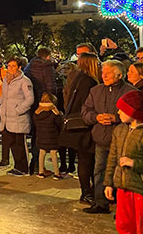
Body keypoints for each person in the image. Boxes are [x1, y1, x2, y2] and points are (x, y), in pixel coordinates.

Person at [82, 59, 136, 214]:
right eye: (103, 72)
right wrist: (96, 117)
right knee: (99, 170)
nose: (103, 75)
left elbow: (136, 114)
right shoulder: (95, 91)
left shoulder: (130, 92)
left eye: (108, 73)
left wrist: (116, 118)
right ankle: (101, 203)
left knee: (121, 174)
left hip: (122, 141)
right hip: (101, 139)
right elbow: (85, 111)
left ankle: (122, 207)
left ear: (119, 75)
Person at [104, 90, 143, 234]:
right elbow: (112, 158)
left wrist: (134, 163)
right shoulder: (119, 130)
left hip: (141, 190)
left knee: (142, 228)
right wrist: (109, 183)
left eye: (123, 109)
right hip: (123, 188)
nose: (118, 112)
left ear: (135, 113)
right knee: (123, 225)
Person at [60, 53, 101, 205]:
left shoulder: (78, 78)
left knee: (85, 159)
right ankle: (86, 192)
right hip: (83, 125)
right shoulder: (88, 81)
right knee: (86, 159)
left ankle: (87, 190)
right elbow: (87, 104)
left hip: (77, 124)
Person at [0, 56, 35, 176]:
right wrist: (1, 105)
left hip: (19, 118)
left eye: (13, 66)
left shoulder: (25, 81)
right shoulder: (5, 79)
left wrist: (18, 110)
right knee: (12, 143)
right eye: (9, 66)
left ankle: (23, 168)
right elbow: (4, 95)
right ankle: (17, 166)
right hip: (7, 118)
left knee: (20, 144)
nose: (11, 68)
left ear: (19, 67)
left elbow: (30, 99)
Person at [24, 47, 57, 175]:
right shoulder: (47, 67)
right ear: (48, 56)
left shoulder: (29, 66)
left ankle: (35, 164)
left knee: (35, 135)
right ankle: (40, 166)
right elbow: (51, 87)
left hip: (32, 105)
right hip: (44, 104)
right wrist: (52, 104)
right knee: (44, 134)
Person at [34, 92, 63, 179]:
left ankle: (41, 172)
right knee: (53, 153)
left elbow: (35, 122)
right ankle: (57, 174)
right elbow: (60, 123)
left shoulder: (38, 112)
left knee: (42, 153)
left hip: (41, 137)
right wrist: (58, 113)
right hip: (52, 138)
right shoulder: (53, 112)